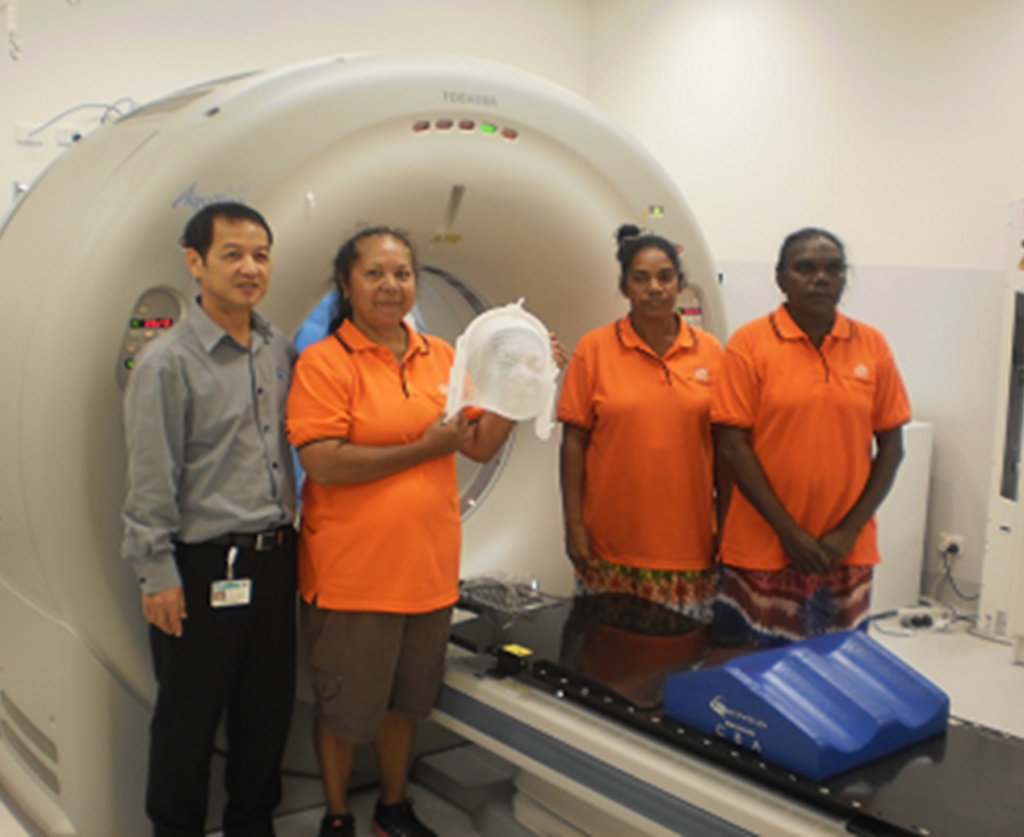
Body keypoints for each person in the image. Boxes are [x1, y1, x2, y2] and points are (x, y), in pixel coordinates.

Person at [285, 227, 518, 837]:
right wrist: (420, 450)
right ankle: (336, 817)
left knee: (406, 702)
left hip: (428, 570)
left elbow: (477, 444)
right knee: (344, 709)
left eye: (402, 273)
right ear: (347, 283)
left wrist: (519, 384)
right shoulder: (324, 362)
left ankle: (393, 808)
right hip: (353, 575)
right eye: (375, 273)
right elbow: (323, 462)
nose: (391, 285)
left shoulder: (442, 356)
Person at [121, 202, 298, 837]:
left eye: (260, 255)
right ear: (194, 262)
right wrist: (155, 574)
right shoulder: (167, 363)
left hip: (276, 559)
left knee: (266, 717)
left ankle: (254, 828)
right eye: (232, 255)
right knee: (186, 727)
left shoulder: (280, 348)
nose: (250, 268)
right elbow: (149, 478)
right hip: (199, 569)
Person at [711, 228, 910, 647]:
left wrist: (849, 530)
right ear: (781, 278)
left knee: (839, 672)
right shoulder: (750, 344)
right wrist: (788, 533)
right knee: (755, 673)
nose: (820, 278)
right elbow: (731, 444)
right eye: (805, 268)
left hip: (845, 549)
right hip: (764, 546)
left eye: (833, 269)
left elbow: (892, 448)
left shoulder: (872, 346)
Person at [557, 224, 724, 622]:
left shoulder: (711, 353)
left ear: (680, 284)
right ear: (625, 287)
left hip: (689, 546)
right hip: (609, 546)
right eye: (641, 278)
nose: (655, 288)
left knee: (678, 667)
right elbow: (573, 444)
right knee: (606, 666)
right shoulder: (594, 350)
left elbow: (725, 451)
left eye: (665, 277)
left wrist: (728, 530)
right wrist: (574, 527)